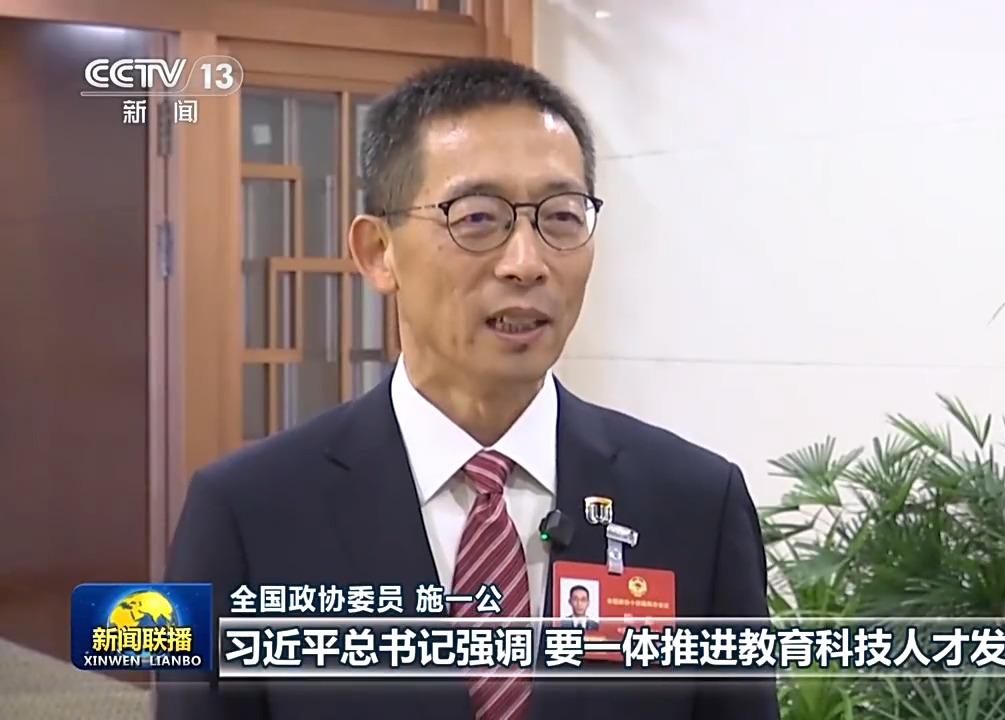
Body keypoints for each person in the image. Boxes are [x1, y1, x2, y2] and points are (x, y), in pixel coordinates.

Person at [156, 58, 777, 720]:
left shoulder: (694, 504)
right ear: (378, 252)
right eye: (478, 218)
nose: (526, 263)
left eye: (561, 217)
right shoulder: (249, 513)